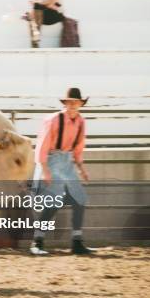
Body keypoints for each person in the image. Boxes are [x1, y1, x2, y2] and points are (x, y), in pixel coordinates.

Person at [30, 88, 92, 255]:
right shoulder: (53, 120)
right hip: (51, 160)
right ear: (65, 104)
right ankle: (37, 242)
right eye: (69, 102)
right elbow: (42, 145)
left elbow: (78, 149)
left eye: (76, 102)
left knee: (80, 199)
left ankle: (77, 242)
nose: (72, 105)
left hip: (67, 162)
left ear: (80, 104)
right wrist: (45, 170)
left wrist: (82, 170)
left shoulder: (81, 122)